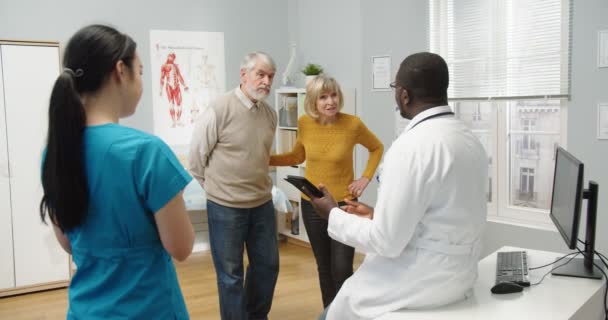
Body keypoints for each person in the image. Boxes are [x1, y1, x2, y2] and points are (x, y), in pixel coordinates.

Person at [304, 52, 489, 320]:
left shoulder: (411, 148)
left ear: (404, 94)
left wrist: (331, 213)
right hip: (458, 276)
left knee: (330, 314)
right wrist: (377, 215)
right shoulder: (469, 139)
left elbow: (386, 241)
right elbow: (441, 216)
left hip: (417, 281)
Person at [39, 25, 195, 320]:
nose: (142, 81)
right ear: (120, 71)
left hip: (85, 310)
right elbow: (182, 247)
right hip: (149, 309)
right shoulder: (147, 152)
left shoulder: (55, 153)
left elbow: (68, 243)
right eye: (141, 70)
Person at [270, 75, 383, 308]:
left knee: (341, 268)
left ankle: (346, 313)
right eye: (323, 97)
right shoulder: (304, 123)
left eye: (333, 95)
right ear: (313, 101)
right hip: (312, 203)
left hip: (344, 204)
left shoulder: (353, 124)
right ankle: (330, 312)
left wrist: (365, 178)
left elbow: (376, 147)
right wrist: (266, 158)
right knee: (323, 265)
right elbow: (297, 156)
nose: (330, 101)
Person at [189, 51, 279, 320]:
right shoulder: (219, 109)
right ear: (244, 74)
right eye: (260, 74)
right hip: (225, 207)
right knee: (230, 275)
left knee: (267, 266)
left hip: (261, 203)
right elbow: (196, 160)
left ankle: (254, 316)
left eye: (270, 76)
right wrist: (218, 190)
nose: (266, 81)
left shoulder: (270, 115)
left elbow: (259, 156)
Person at [160, 52, 189, 127]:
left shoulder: (176, 66)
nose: (171, 58)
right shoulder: (164, 66)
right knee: (171, 104)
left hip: (177, 86)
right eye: (170, 57)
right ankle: (173, 121)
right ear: (168, 57)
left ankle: (178, 120)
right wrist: (160, 89)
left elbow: (179, 76)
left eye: (172, 57)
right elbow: (162, 78)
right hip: (169, 86)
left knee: (179, 103)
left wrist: (185, 85)